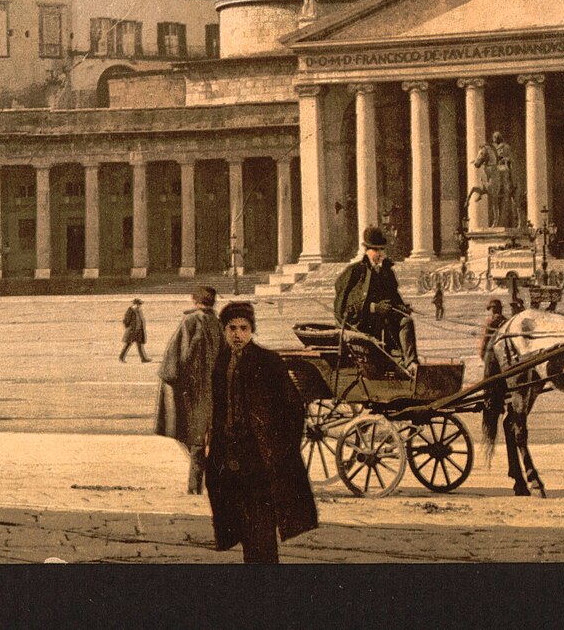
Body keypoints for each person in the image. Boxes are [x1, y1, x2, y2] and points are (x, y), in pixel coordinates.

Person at [202, 300, 318, 564]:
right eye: (232, 328)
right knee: (240, 521)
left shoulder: (269, 361)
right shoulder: (220, 363)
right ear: (224, 330)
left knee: (261, 524)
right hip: (229, 455)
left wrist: (281, 448)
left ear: (252, 330)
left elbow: (294, 408)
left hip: (259, 456)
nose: (237, 334)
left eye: (243, 328)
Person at [156, 285, 224, 495]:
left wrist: (174, 379)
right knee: (204, 435)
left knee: (193, 436)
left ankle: (194, 486)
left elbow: (180, 355)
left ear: (195, 300)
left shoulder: (191, 321)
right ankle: (202, 484)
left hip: (194, 386)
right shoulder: (217, 323)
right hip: (212, 386)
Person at [332, 227, 417, 367]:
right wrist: (372, 307)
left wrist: (402, 307)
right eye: (377, 250)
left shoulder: (387, 272)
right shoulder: (355, 271)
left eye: (382, 249)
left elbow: (393, 297)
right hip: (362, 325)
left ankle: (411, 363)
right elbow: (344, 305)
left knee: (406, 321)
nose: (381, 254)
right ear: (367, 250)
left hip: (384, 322)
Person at [120, 298, 149, 363]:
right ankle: (121, 358)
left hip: (138, 331)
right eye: (138, 304)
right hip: (132, 331)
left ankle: (143, 359)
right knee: (128, 344)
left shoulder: (138, 311)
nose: (139, 306)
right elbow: (125, 321)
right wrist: (129, 328)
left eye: (140, 304)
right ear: (134, 304)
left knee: (139, 345)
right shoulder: (130, 310)